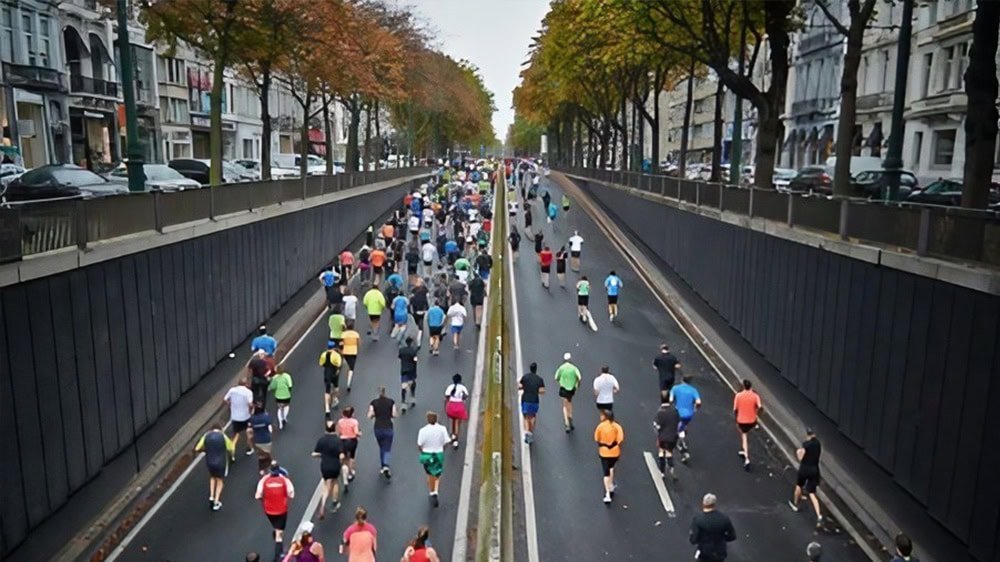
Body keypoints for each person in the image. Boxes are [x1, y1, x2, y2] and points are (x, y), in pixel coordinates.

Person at [256, 461, 295, 562]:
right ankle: (278, 556)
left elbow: (258, 496)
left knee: (276, 527)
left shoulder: (264, 480)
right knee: (279, 533)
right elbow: (291, 494)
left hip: (269, 511)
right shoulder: (284, 480)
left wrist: (265, 500)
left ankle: (277, 535)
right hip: (281, 510)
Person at [788, 428, 824, 527]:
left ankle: (795, 504)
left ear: (807, 435)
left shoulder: (806, 445)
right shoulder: (818, 444)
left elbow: (800, 457)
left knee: (799, 486)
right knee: (812, 493)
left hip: (804, 469)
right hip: (814, 470)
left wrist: (798, 452)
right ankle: (819, 515)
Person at [194, 424, 234, 511]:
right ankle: (216, 501)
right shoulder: (223, 436)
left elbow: (197, 448)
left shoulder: (206, 436)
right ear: (220, 429)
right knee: (220, 481)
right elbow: (231, 448)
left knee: (212, 477)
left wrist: (205, 450)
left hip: (209, 462)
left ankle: (211, 496)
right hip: (221, 462)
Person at [417, 411, 451, 507]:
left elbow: (419, 444)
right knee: (437, 473)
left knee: (429, 473)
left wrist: (422, 452)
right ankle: (435, 489)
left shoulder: (423, 430)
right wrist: (442, 448)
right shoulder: (442, 429)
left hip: (427, 454)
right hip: (438, 453)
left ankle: (432, 491)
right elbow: (447, 441)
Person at [689, 493, 736, 561]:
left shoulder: (698, 520)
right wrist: (722, 538)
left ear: (703, 504)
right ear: (714, 504)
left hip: (704, 554)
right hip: (719, 553)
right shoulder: (724, 518)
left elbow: (693, 540)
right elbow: (732, 536)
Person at [312, 421, 345, 519]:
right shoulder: (338, 441)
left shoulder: (322, 440)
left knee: (326, 485)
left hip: (325, 466)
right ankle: (334, 501)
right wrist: (341, 461)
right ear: (334, 429)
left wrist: (322, 455)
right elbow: (342, 455)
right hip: (335, 466)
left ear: (325, 429)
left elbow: (314, 454)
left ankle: (323, 503)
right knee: (335, 482)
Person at [594, 409, 624, 504]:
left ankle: (607, 494)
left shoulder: (601, 426)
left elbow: (596, 438)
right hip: (615, 452)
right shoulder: (617, 426)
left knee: (605, 473)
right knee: (611, 468)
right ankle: (611, 486)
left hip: (604, 452)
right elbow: (620, 439)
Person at [670, 374, 702, 462]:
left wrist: (674, 405)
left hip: (678, 413)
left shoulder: (675, 388)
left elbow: (671, 400)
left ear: (681, 379)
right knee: (683, 427)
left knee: (679, 430)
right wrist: (695, 408)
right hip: (689, 415)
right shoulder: (693, 390)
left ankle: (684, 450)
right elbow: (698, 402)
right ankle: (680, 441)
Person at [733, 379, 762, 471]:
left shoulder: (738, 396)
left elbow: (735, 410)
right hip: (752, 421)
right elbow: (760, 407)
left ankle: (746, 457)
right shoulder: (755, 396)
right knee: (745, 434)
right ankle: (744, 450)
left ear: (743, 386)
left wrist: (737, 418)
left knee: (744, 435)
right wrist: (757, 415)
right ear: (751, 386)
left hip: (742, 421)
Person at [368, 386, 396, 479]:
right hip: (388, 427)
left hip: (378, 427)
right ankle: (386, 465)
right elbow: (394, 414)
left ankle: (382, 465)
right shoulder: (391, 402)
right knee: (387, 447)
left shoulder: (374, 403)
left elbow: (370, 415)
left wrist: (375, 414)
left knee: (381, 447)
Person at [224, 378, 255, 457]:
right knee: (248, 433)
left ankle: (232, 450)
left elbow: (225, 399)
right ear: (246, 384)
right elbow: (250, 404)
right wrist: (252, 410)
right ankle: (249, 448)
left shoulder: (232, 390)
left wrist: (230, 404)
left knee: (234, 435)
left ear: (238, 383)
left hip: (235, 417)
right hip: (245, 417)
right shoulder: (248, 392)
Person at [519, 362, 546, 444]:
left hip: (526, 400)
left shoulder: (525, 377)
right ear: (536, 369)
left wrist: (525, 387)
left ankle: (527, 432)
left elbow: (519, 386)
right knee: (533, 416)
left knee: (526, 417)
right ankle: (531, 432)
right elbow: (542, 391)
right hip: (534, 400)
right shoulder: (539, 379)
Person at [555, 353, 582, 432]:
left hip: (563, 389)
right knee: (569, 403)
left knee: (564, 406)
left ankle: (567, 423)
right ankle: (570, 419)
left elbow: (556, 377)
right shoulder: (574, 368)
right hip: (571, 389)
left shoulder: (561, 368)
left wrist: (561, 381)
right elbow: (579, 377)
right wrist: (577, 384)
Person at [654, 399, 681, 480]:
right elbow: (678, 423)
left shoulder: (660, 413)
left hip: (662, 437)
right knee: (669, 452)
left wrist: (656, 428)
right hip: (672, 437)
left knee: (661, 452)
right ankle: (671, 468)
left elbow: (657, 426)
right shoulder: (675, 412)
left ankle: (662, 472)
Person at [336, 407, 361, 490]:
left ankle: (345, 476)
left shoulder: (340, 421)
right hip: (352, 441)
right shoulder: (354, 422)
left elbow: (338, 432)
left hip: (343, 441)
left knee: (345, 459)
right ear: (352, 414)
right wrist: (360, 434)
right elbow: (356, 432)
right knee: (352, 457)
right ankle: (351, 472)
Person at [443, 374, 469, 448]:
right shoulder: (462, 387)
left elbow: (446, 396)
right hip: (459, 406)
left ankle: (453, 435)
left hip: (451, 406)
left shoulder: (450, 387)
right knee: (458, 422)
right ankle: (456, 440)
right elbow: (466, 395)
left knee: (453, 421)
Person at [249, 403, 274, 474]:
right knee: (267, 454)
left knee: (260, 456)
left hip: (257, 440)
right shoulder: (266, 417)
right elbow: (270, 423)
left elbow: (251, 427)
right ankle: (269, 468)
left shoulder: (253, 419)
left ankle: (262, 469)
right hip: (266, 439)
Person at [319, 341, 343, 416]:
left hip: (327, 373)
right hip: (335, 373)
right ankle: (335, 399)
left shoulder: (323, 354)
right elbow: (339, 364)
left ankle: (327, 408)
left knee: (327, 390)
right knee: (336, 386)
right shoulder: (336, 355)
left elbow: (321, 363)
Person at [398, 336, 419, 412]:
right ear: (411, 342)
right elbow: (415, 360)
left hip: (403, 370)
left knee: (403, 386)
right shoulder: (413, 351)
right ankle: (412, 396)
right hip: (412, 370)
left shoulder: (401, 350)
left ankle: (403, 402)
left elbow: (400, 357)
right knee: (412, 384)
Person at [340, 323, 361, 392]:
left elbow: (341, 344)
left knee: (346, 366)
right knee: (351, 368)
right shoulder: (356, 334)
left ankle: (347, 372)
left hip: (345, 352)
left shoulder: (343, 334)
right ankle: (348, 382)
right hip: (353, 352)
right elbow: (359, 343)